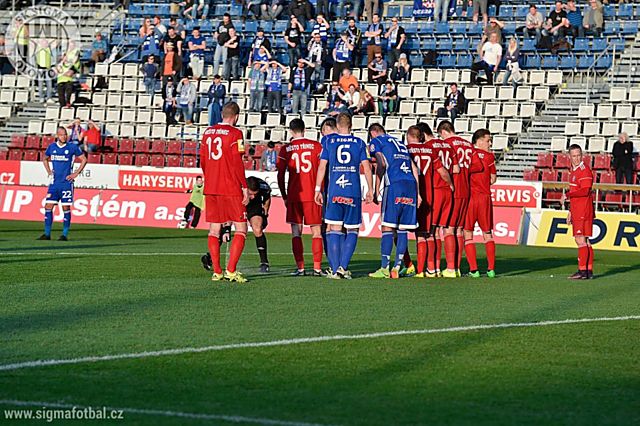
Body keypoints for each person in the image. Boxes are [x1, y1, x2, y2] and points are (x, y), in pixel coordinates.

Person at [314, 113, 374, 278]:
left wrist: (317, 189)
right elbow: (367, 168)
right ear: (351, 126)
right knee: (352, 229)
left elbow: (322, 167)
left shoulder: (329, 142)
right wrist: (371, 189)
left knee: (334, 228)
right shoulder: (359, 143)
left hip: (334, 191)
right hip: (352, 191)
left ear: (337, 126)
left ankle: (334, 270)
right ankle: (343, 267)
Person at [200, 102, 249, 283]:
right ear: (236, 116)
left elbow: (203, 160)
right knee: (241, 228)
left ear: (222, 114)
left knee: (214, 230)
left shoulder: (207, 133)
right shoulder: (236, 133)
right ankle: (231, 270)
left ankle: (217, 272)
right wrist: (244, 186)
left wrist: (210, 178)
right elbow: (237, 162)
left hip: (211, 187)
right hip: (230, 187)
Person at [367, 124, 421, 279]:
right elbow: (414, 169)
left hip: (394, 185)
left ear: (373, 133)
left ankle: (384, 268)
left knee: (387, 228)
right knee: (402, 228)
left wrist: (376, 189)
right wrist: (418, 194)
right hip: (410, 185)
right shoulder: (401, 144)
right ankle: (397, 267)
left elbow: (381, 164)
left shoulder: (377, 142)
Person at [277, 119, 325, 276]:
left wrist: (284, 195)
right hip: (313, 194)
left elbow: (280, 174)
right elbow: (323, 169)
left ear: (290, 131)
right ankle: (317, 268)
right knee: (316, 232)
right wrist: (321, 190)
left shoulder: (286, 149)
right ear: (304, 129)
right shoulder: (316, 146)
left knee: (296, 232)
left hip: (294, 194)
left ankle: (301, 268)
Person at [438, 120, 484, 278]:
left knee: (449, 229)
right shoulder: (467, 144)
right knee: (459, 230)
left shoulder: (447, 145)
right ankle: (456, 267)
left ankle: (451, 268)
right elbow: (478, 166)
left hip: (454, 190)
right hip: (466, 190)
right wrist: (466, 169)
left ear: (443, 132)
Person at [406, 124, 453, 277]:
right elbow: (442, 171)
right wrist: (451, 184)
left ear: (410, 136)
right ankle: (432, 269)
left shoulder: (406, 150)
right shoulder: (431, 151)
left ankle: (420, 270)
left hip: (414, 193)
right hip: (430, 194)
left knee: (420, 234)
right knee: (431, 233)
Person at [38, 127, 87, 241]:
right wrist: (49, 171)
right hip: (54, 183)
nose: (64, 137)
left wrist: (76, 173)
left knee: (65, 207)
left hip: (66, 183)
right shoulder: (52, 147)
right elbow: (44, 159)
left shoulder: (72, 147)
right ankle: (47, 234)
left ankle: (64, 235)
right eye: (61, 135)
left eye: (65, 135)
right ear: (57, 135)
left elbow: (84, 159)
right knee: (48, 206)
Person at [464, 129, 497, 278]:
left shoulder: (467, 153)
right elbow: (493, 179)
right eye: (488, 140)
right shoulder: (490, 157)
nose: (490, 143)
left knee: (468, 234)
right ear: (479, 141)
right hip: (484, 198)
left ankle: (474, 270)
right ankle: (491, 269)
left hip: (470, 198)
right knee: (487, 234)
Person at [560, 145, 595, 279]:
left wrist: (567, 195)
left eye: (578, 155)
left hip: (583, 209)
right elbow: (577, 192)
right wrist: (570, 211)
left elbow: (585, 190)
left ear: (582, 155)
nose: (576, 158)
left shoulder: (584, 170)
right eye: (574, 156)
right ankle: (588, 271)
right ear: (569, 157)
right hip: (578, 209)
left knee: (580, 239)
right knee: (585, 240)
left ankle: (582, 272)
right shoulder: (573, 171)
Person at [245, 176, 273, 273]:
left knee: (257, 229)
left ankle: (264, 262)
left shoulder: (263, 187)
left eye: (255, 194)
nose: (252, 196)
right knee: (224, 228)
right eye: (250, 194)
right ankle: (211, 257)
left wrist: (265, 212)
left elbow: (267, 198)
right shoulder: (237, 186)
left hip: (254, 206)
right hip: (237, 201)